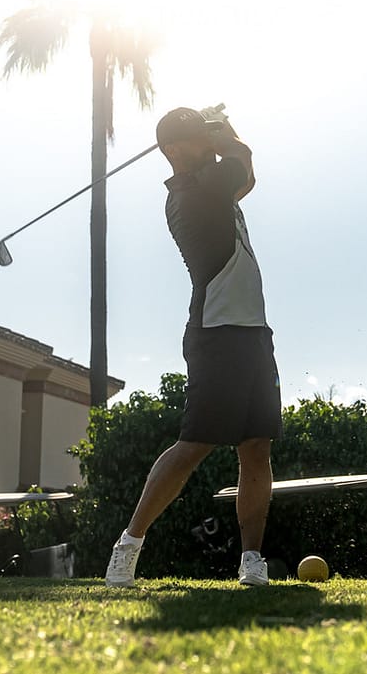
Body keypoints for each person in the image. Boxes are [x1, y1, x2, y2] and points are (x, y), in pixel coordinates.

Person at [104, 106, 282, 588]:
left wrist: (219, 132)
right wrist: (228, 133)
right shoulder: (191, 192)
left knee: (257, 446)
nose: (209, 142)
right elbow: (241, 162)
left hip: (253, 333)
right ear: (175, 150)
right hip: (216, 333)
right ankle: (129, 544)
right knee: (194, 445)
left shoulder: (212, 183)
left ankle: (251, 560)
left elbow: (245, 177)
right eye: (198, 137)